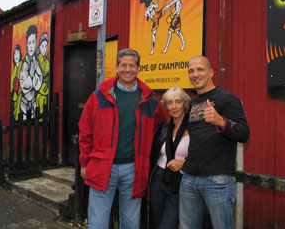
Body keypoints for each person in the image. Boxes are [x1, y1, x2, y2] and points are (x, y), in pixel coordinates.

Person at [78, 48, 167, 229]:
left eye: (132, 66)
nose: (128, 69)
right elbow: (85, 131)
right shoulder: (99, 97)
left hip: (134, 168)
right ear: (117, 68)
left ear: (138, 68)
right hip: (103, 166)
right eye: (124, 65)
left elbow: (160, 127)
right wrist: (84, 163)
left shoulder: (149, 100)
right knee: (97, 222)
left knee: (131, 223)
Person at [179, 55, 250, 229]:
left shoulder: (227, 99)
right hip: (189, 179)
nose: (195, 74)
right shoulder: (194, 102)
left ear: (211, 72)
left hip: (217, 179)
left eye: (200, 69)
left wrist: (221, 122)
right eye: (191, 71)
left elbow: (243, 133)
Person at [150, 86, 191, 229]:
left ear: (185, 104)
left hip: (181, 181)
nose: (174, 107)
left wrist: (184, 162)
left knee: (167, 225)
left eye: (178, 102)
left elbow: (202, 154)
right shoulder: (163, 128)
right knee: (157, 222)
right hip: (159, 178)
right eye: (170, 103)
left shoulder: (194, 128)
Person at [19, 24, 43, 119]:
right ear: (26, 45)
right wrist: (34, 78)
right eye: (29, 43)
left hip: (33, 103)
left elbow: (38, 84)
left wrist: (34, 80)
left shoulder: (36, 63)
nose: (32, 45)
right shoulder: (24, 64)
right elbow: (25, 84)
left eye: (33, 42)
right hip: (24, 103)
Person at [36, 32, 50, 114]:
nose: (44, 49)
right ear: (39, 46)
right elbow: (45, 71)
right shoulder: (39, 59)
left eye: (46, 46)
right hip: (41, 92)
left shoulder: (44, 59)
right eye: (42, 46)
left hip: (45, 92)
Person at [11, 44, 23, 120]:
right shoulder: (14, 70)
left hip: (22, 96)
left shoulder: (23, 65)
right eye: (15, 53)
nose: (16, 55)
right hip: (15, 97)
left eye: (18, 53)